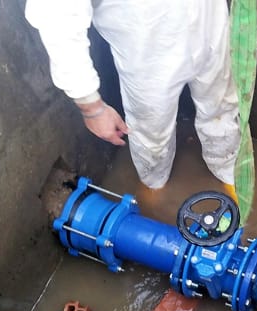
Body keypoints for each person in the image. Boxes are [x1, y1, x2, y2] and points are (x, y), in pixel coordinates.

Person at [24, 0, 240, 199]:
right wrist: (90, 105)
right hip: (148, 55)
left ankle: (229, 169)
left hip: (211, 28)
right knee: (151, 131)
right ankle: (155, 185)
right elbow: (57, 17)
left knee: (223, 109)